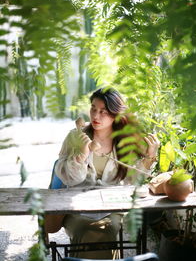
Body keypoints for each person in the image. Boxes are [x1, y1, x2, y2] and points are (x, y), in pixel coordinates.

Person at [54, 87, 160, 259]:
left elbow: (133, 180)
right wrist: (81, 155)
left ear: (115, 115)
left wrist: (150, 156)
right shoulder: (75, 136)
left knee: (105, 230)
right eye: (93, 109)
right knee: (85, 230)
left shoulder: (125, 141)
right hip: (76, 209)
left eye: (103, 112)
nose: (96, 116)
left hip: (110, 210)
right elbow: (67, 178)